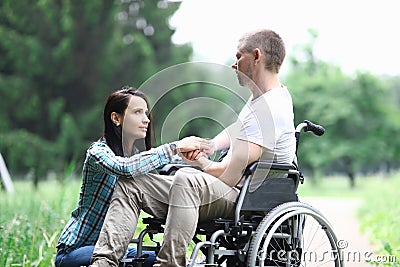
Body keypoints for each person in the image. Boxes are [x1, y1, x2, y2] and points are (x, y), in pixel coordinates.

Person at [90, 28, 296, 267]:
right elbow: (238, 129)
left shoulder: (270, 109)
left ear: (257, 56)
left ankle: (169, 264)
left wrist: (200, 162)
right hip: (225, 191)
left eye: (239, 56)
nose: (234, 64)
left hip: (244, 197)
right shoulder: (262, 99)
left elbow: (229, 174)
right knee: (132, 183)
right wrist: (208, 146)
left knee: (187, 178)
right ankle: (103, 263)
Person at [55, 86, 200, 267]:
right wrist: (175, 147)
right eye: (137, 112)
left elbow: (168, 166)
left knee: (160, 261)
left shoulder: (137, 156)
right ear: (116, 118)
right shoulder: (98, 153)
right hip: (75, 252)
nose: (146, 120)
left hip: (116, 246)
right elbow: (124, 168)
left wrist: (200, 159)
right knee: (128, 260)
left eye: (146, 113)